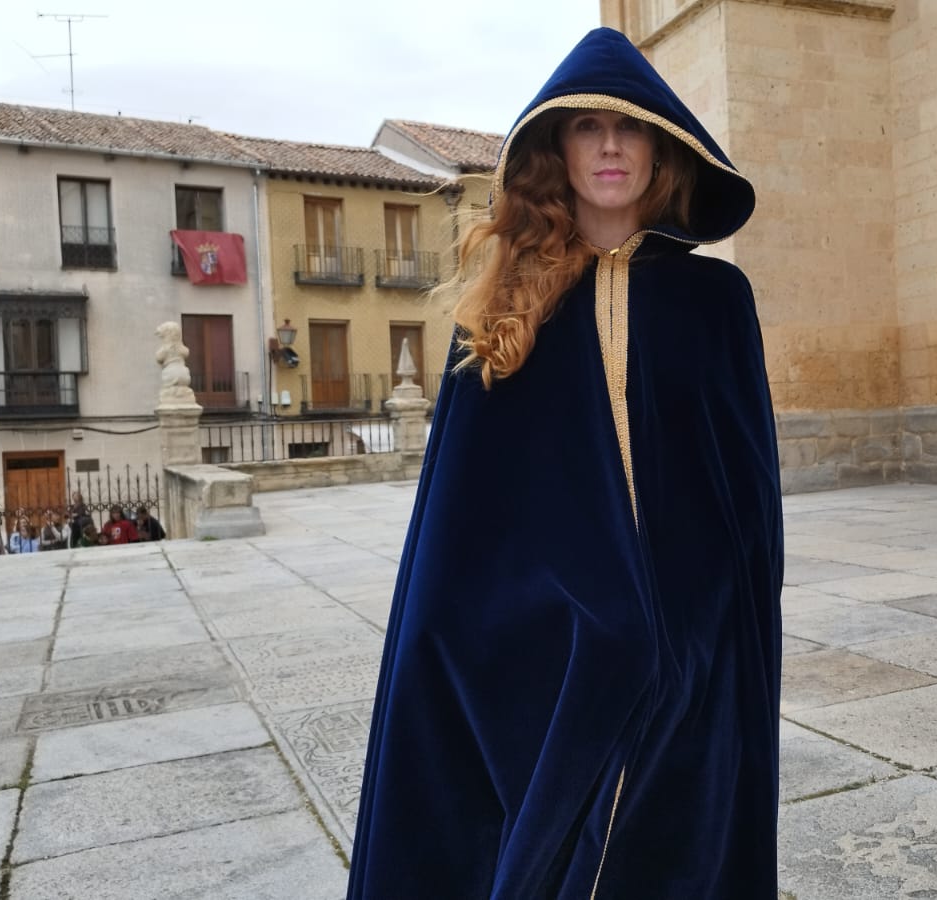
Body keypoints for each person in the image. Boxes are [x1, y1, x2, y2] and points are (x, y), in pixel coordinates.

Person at [347, 28, 783, 899]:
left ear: (664, 148)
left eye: (628, 128)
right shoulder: (502, 312)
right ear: (558, 150)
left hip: (689, 642)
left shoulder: (716, 301)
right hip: (549, 641)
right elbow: (460, 520)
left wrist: (706, 632)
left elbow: (747, 501)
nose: (611, 146)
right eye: (587, 128)